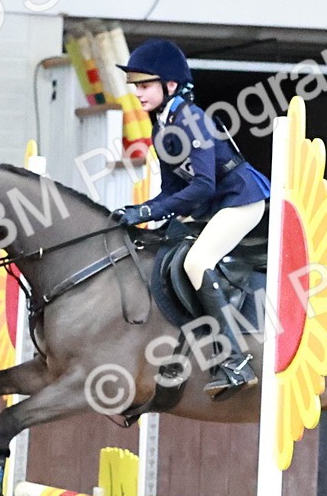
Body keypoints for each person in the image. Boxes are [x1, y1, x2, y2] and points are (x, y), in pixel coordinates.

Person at [111, 39, 270, 401]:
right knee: (161, 251)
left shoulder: (193, 120)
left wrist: (150, 211)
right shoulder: (160, 128)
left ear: (171, 86)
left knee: (198, 262)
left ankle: (234, 361)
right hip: (212, 206)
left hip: (240, 200)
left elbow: (202, 185)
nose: (138, 93)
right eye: (136, 86)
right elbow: (170, 191)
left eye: (145, 85)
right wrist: (138, 213)